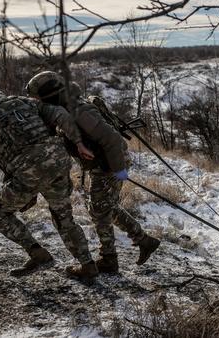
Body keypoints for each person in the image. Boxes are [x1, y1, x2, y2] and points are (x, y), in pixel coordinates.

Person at [0, 80, 99, 280]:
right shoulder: (24, 101)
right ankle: (87, 264)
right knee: (64, 218)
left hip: (28, 171)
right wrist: (78, 142)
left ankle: (38, 254)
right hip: (58, 162)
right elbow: (60, 114)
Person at [26, 71, 160, 273]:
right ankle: (143, 241)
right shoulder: (65, 108)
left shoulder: (79, 111)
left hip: (109, 164)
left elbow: (113, 140)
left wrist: (118, 170)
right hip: (103, 164)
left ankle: (110, 259)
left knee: (99, 210)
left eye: (38, 97)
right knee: (105, 207)